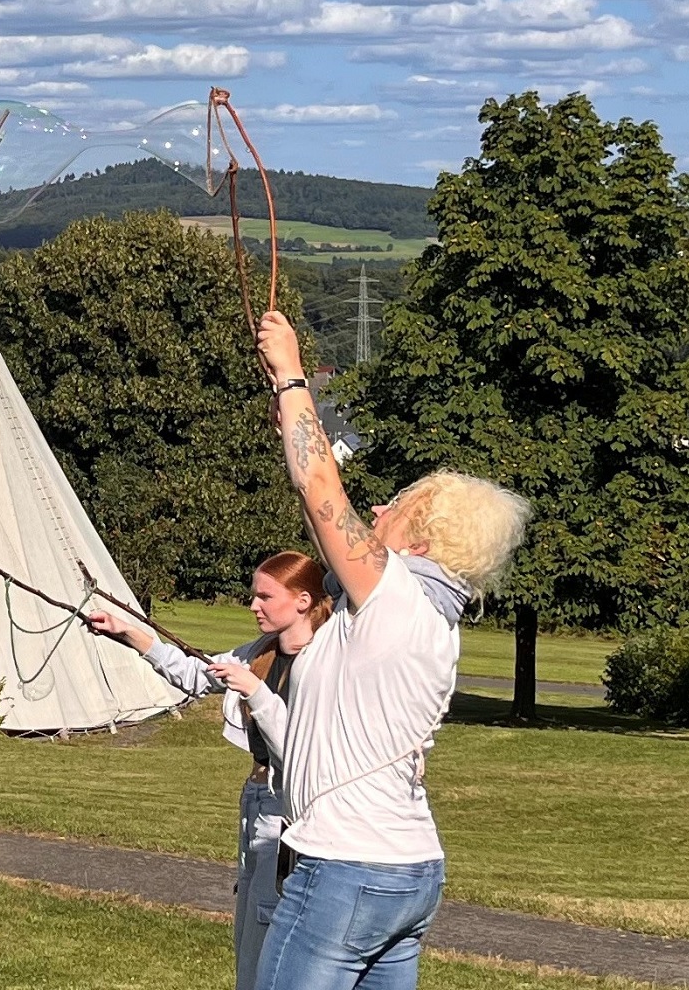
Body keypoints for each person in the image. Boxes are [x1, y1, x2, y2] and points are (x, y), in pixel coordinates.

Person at [244, 310, 531, 990]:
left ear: (422, 540)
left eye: (395, 508)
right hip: (407, 873)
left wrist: (291, 373)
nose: (376, 514)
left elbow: (321, 493)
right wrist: (286, 415)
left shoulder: (396, 594)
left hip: (344, 869)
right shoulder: (421, 617)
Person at [87, 551, 332, 989]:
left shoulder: (327, 664)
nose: (253, 606)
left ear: (302, 600)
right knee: (248, 932)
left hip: (291, 811)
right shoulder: (261, 652)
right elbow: (195, 672)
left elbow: (301, 753)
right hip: (256, 802)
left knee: (271, 930)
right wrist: (129, 634)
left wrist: (256, 692)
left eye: (264, 596)